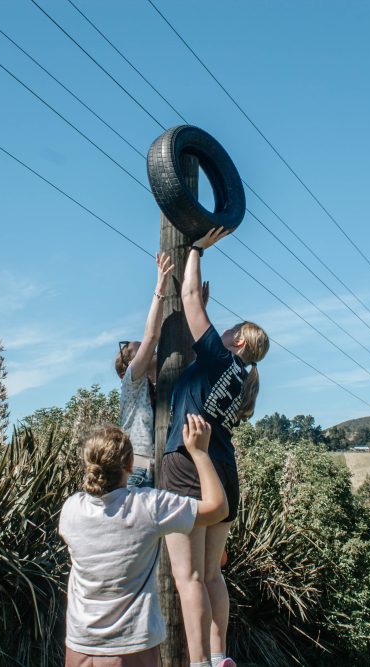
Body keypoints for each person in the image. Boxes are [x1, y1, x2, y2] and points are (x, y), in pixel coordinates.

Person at [159, 228, 270, 667]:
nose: (224, 328)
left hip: (188, 463)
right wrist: (201, 311)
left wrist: (197, 249)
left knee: (187, 576)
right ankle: (220, 657)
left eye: (231, 329)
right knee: (209, 574)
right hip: (222, 471)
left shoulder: (221, 359)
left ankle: (199, 663)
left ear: (239, 341)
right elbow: (198, 329)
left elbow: (188, 297)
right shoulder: (240, 375)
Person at [58, 416, 229, 666]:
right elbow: (218, 509)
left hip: (79, 646)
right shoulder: (148, 506)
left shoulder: (71, 509)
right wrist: (200, 453)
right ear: (130, 465)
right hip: (132, 647)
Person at [116, 253, 173, 488]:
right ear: (130, 364)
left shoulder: (155, 387)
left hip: (156, 471)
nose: (146, 348)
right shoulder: (132, 381)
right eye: (137, 349)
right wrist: (160, 287)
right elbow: (152, 336)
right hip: (137, 471)